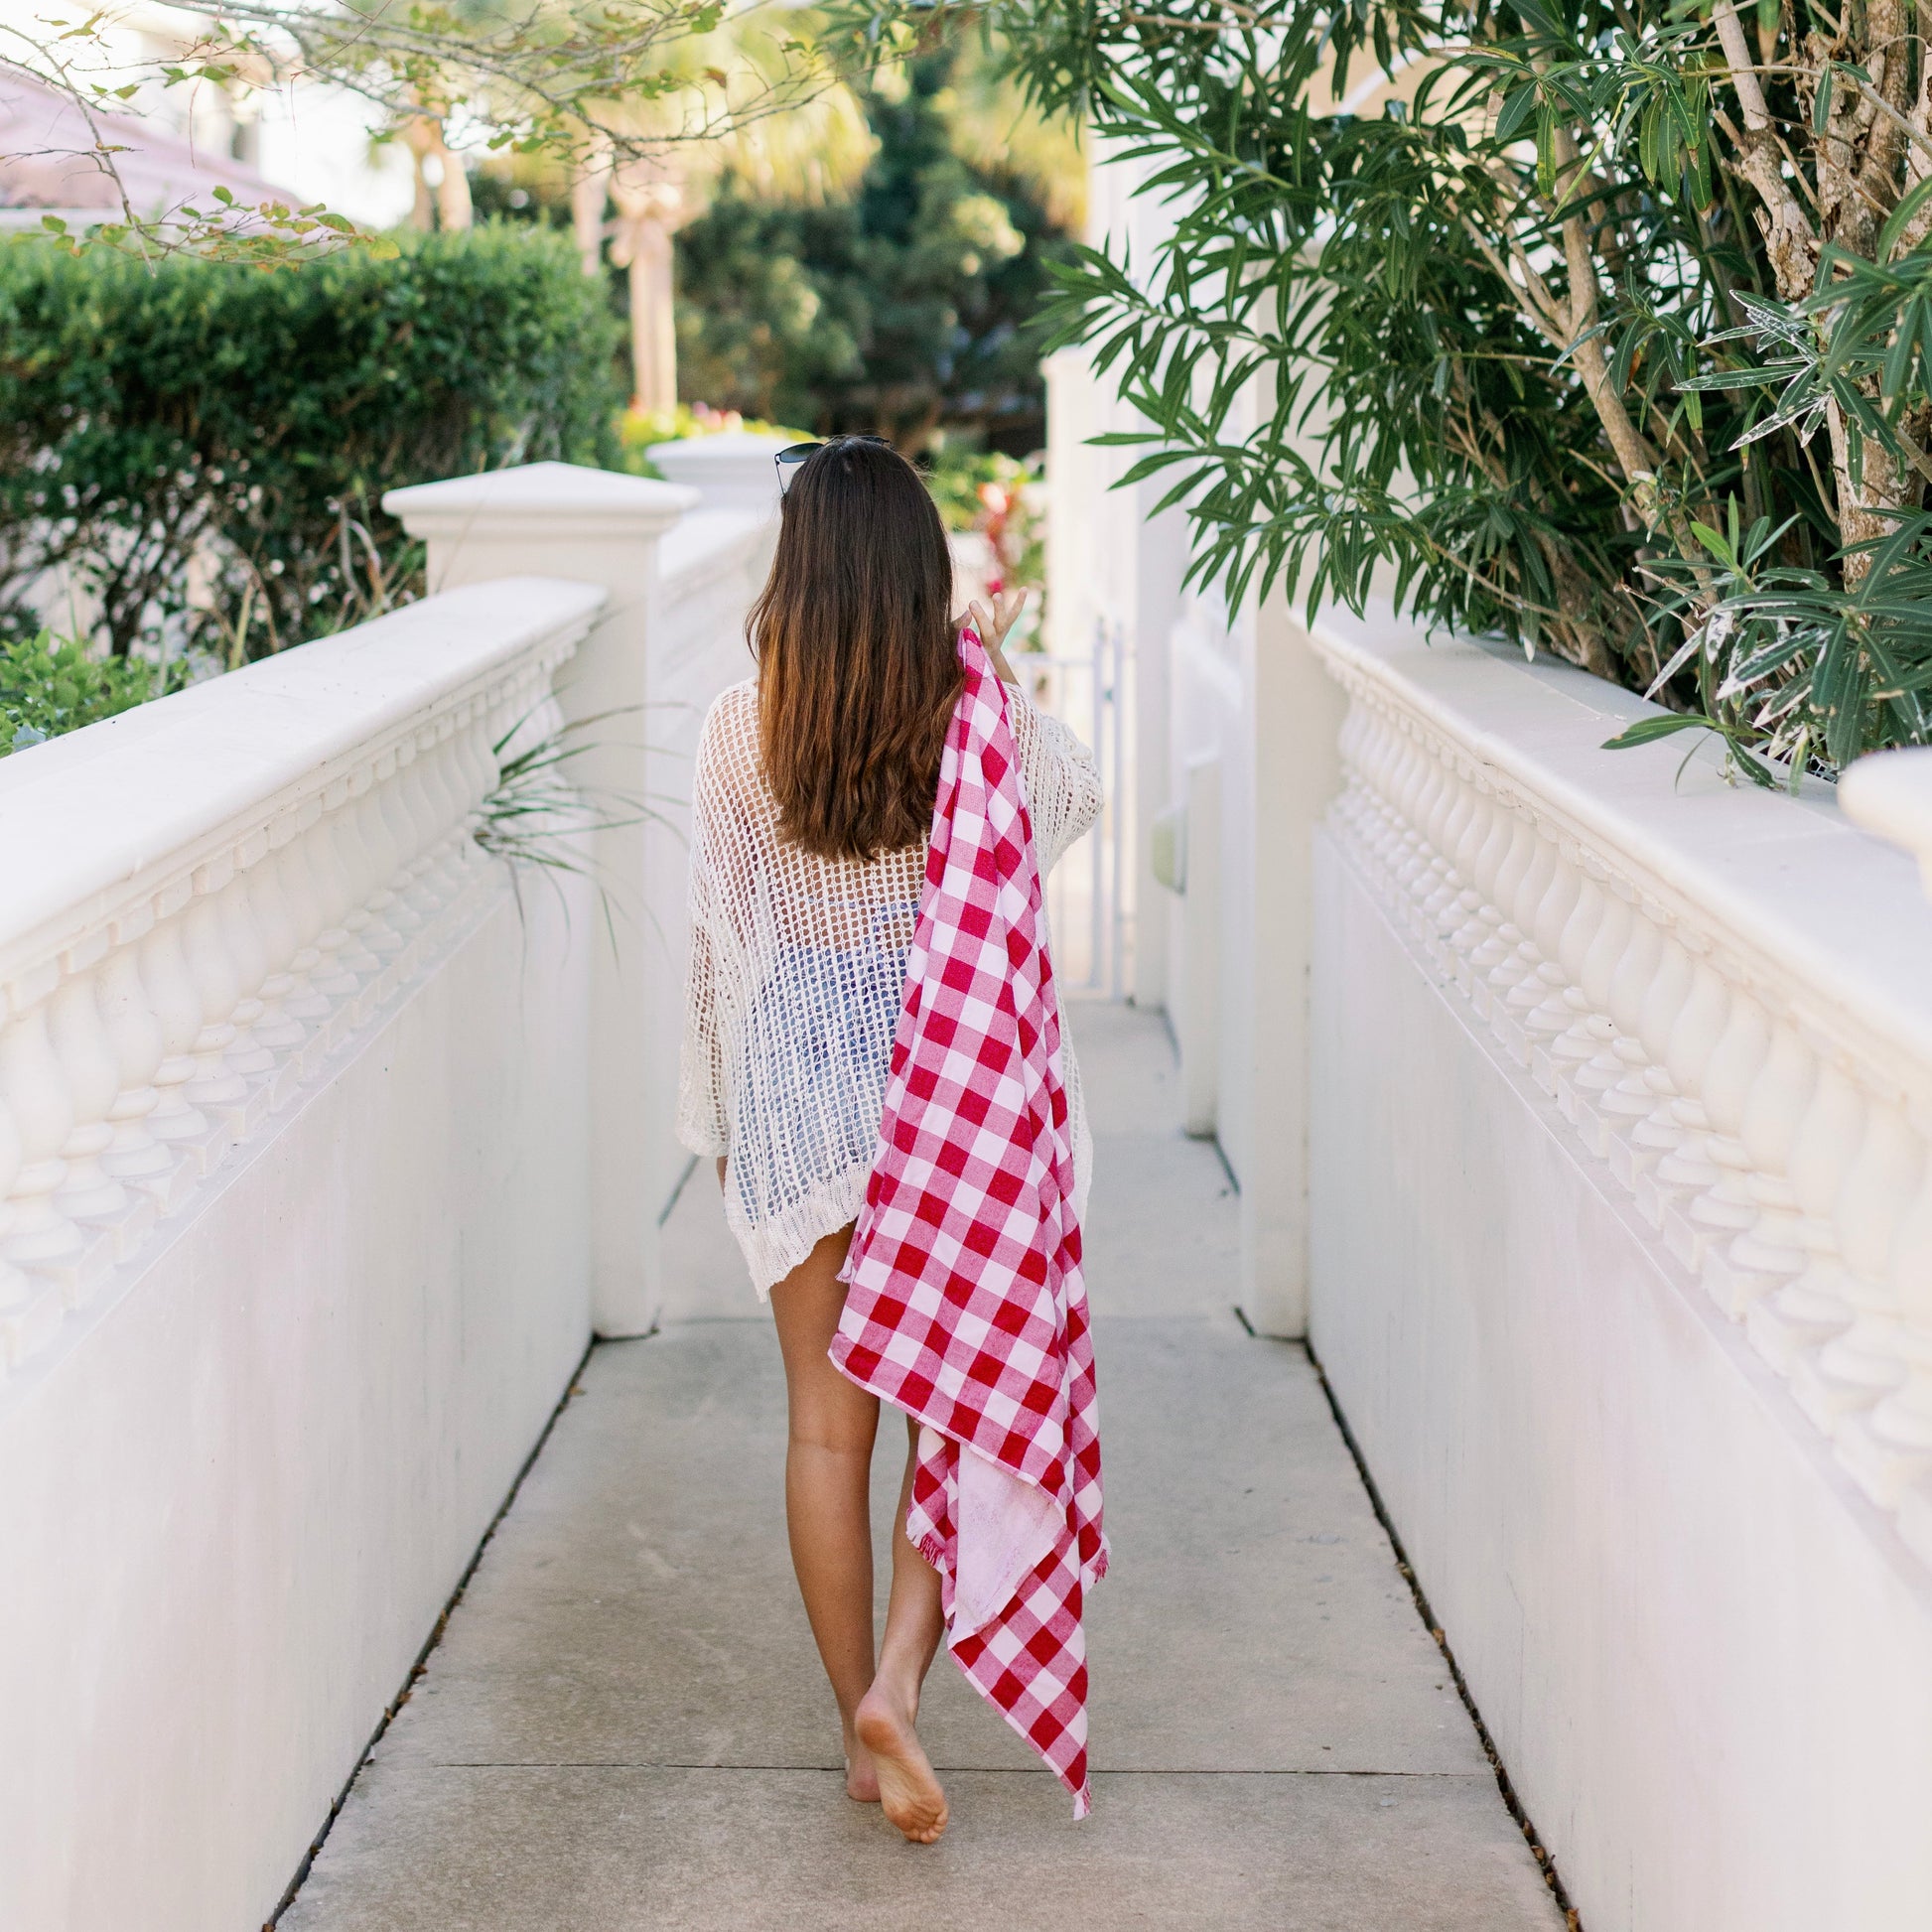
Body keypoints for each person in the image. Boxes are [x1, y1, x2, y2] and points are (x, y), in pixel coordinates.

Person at [675, 436, 1102, 1844]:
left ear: (797, 574)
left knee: (821, 1424)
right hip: (953, 1100)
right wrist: (989, 675)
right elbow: (1071, 802)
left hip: (803, 1092)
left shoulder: (742, 727)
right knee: (957, 1408)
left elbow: (716, 943)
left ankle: (855, 1721)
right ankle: (904, 1685)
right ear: (920, 574)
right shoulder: (975, 718)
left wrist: (724, 1126)